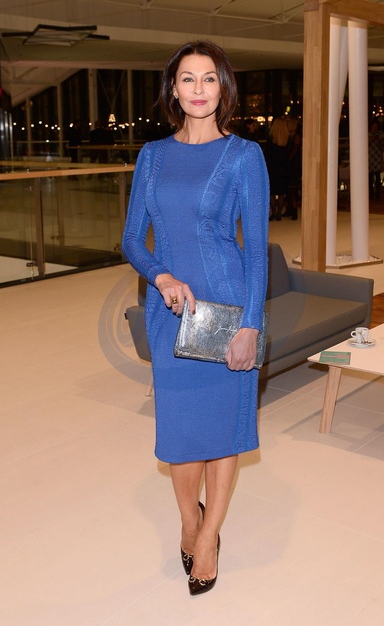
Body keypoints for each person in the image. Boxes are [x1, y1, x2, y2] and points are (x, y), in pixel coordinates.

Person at [122, 40, 269, 596]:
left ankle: (208, 537)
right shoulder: (153, 155)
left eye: (209, 78)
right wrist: (160, 275)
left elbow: (256, 250)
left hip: (228, 307)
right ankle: (189, 521)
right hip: (171, 311)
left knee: (223, 431)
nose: (199, 89)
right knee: (181, 431)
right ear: (174, 89)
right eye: (188, 78)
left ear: (223, 87)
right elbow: (131, 239)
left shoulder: (244, 156)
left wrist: (250, 324)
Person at [265, 116, 290, 220]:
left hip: (272, 168)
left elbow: (267, 156)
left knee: (271, 192)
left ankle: (274, 212)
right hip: (283, 168)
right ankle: (279, 212)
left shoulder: (270, 140)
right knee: (281, 192)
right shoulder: (287, 140)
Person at [368, 120, 384, 200]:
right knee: (370, 176)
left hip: (377, 156)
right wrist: (372, 139)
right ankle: (370, 192)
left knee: (377, 175)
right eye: (374, 126)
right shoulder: (368, 134)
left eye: (376, 126)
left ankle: (378, 193)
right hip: (370, 156)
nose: (375, 128)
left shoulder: (381, 135)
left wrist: (379, 140)